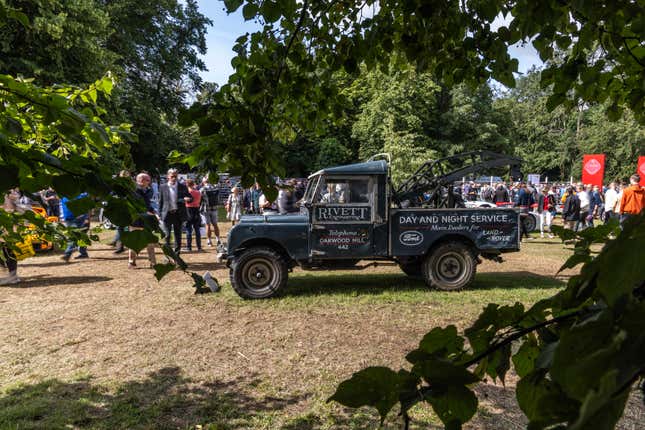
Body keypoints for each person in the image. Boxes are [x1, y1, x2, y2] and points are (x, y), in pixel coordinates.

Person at [159, 168, 192, 255]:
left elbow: (190, 198)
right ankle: (168, 255)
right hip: (167, 214)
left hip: (178, 214)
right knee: (167, 235)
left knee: (178, 235)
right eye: (172, 176)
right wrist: (159, 214)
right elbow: (160, 201)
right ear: (168, 177)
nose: (174, 178)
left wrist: (188, 199)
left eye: (176, 176)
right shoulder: (163, 187)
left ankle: (177, 254)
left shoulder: (183, 186)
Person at [128, 173, 157, 269]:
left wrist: (153, 211)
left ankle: (153, 263)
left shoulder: (149, 190)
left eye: (149, 180)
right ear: (141, 180)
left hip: (147, 220)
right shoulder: (134, 190)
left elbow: (147, 204)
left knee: (150, 242)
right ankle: (131, 262)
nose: (149, 182)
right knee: (134, 241)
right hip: (135, 220)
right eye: (148, 180)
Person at [0, 189, 27, 285]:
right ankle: (9, 276)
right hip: (5, 230)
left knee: (8, 253)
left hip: (7, 231)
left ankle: (13, 276)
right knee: (5, 253)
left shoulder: (9, 196)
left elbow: (17, 211)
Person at [61, 193, 91, 262]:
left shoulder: (82, 194)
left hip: (79, 218)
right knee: (79, 236)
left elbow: (88, 206)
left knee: (73, 236)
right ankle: (83, 253)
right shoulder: (62, 194)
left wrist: (87, 218)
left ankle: (67, 254)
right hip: (68, 218)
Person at [200, 175, 222, 246]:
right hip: (215, 208)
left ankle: (209, 241)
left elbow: (199, 199)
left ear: (204, 181)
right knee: (215, 224)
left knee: (207, 225)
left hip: (206, 209)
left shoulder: (202, 189)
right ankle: (218, 239)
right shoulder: (216, 187)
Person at [184, 178, 202, 252]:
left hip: (188, 210)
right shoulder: (198, 192)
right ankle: (199, 247)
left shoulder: (187, 192)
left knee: (188, 230)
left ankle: (189, 247)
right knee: (197, 230)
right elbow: (199, 201)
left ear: (187, 184)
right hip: (196, 210)